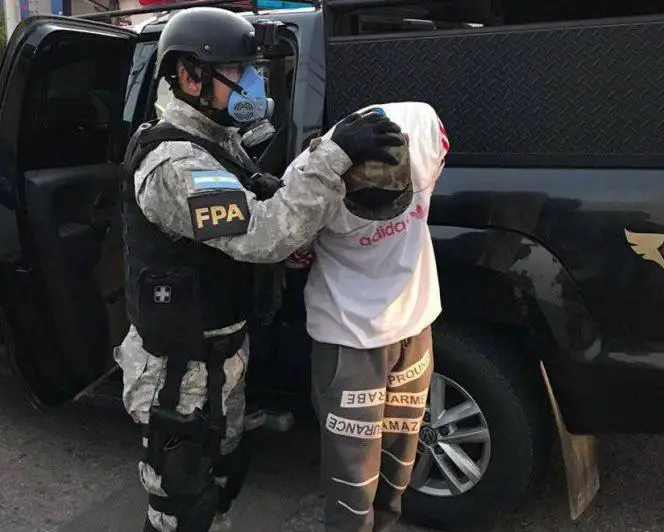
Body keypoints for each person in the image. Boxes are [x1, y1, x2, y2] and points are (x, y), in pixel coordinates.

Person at [112, 7, 405, 532]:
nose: (251, 82)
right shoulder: (176, 164)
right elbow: (264, 234)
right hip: (179, 373)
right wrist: (332, 156)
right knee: (182, 504)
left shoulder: (218, 140)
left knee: (223, 480)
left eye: (252, 69)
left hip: (220, 356)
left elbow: (250, 213)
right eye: (235, 70)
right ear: (189, 76)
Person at [284, 102, 450, 531]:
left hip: (414, 326)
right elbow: (291, 254)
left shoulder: (423, 128)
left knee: (398, 472)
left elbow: (441, 154)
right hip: (348, 338)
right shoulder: (305, 181)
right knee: (353, 489)